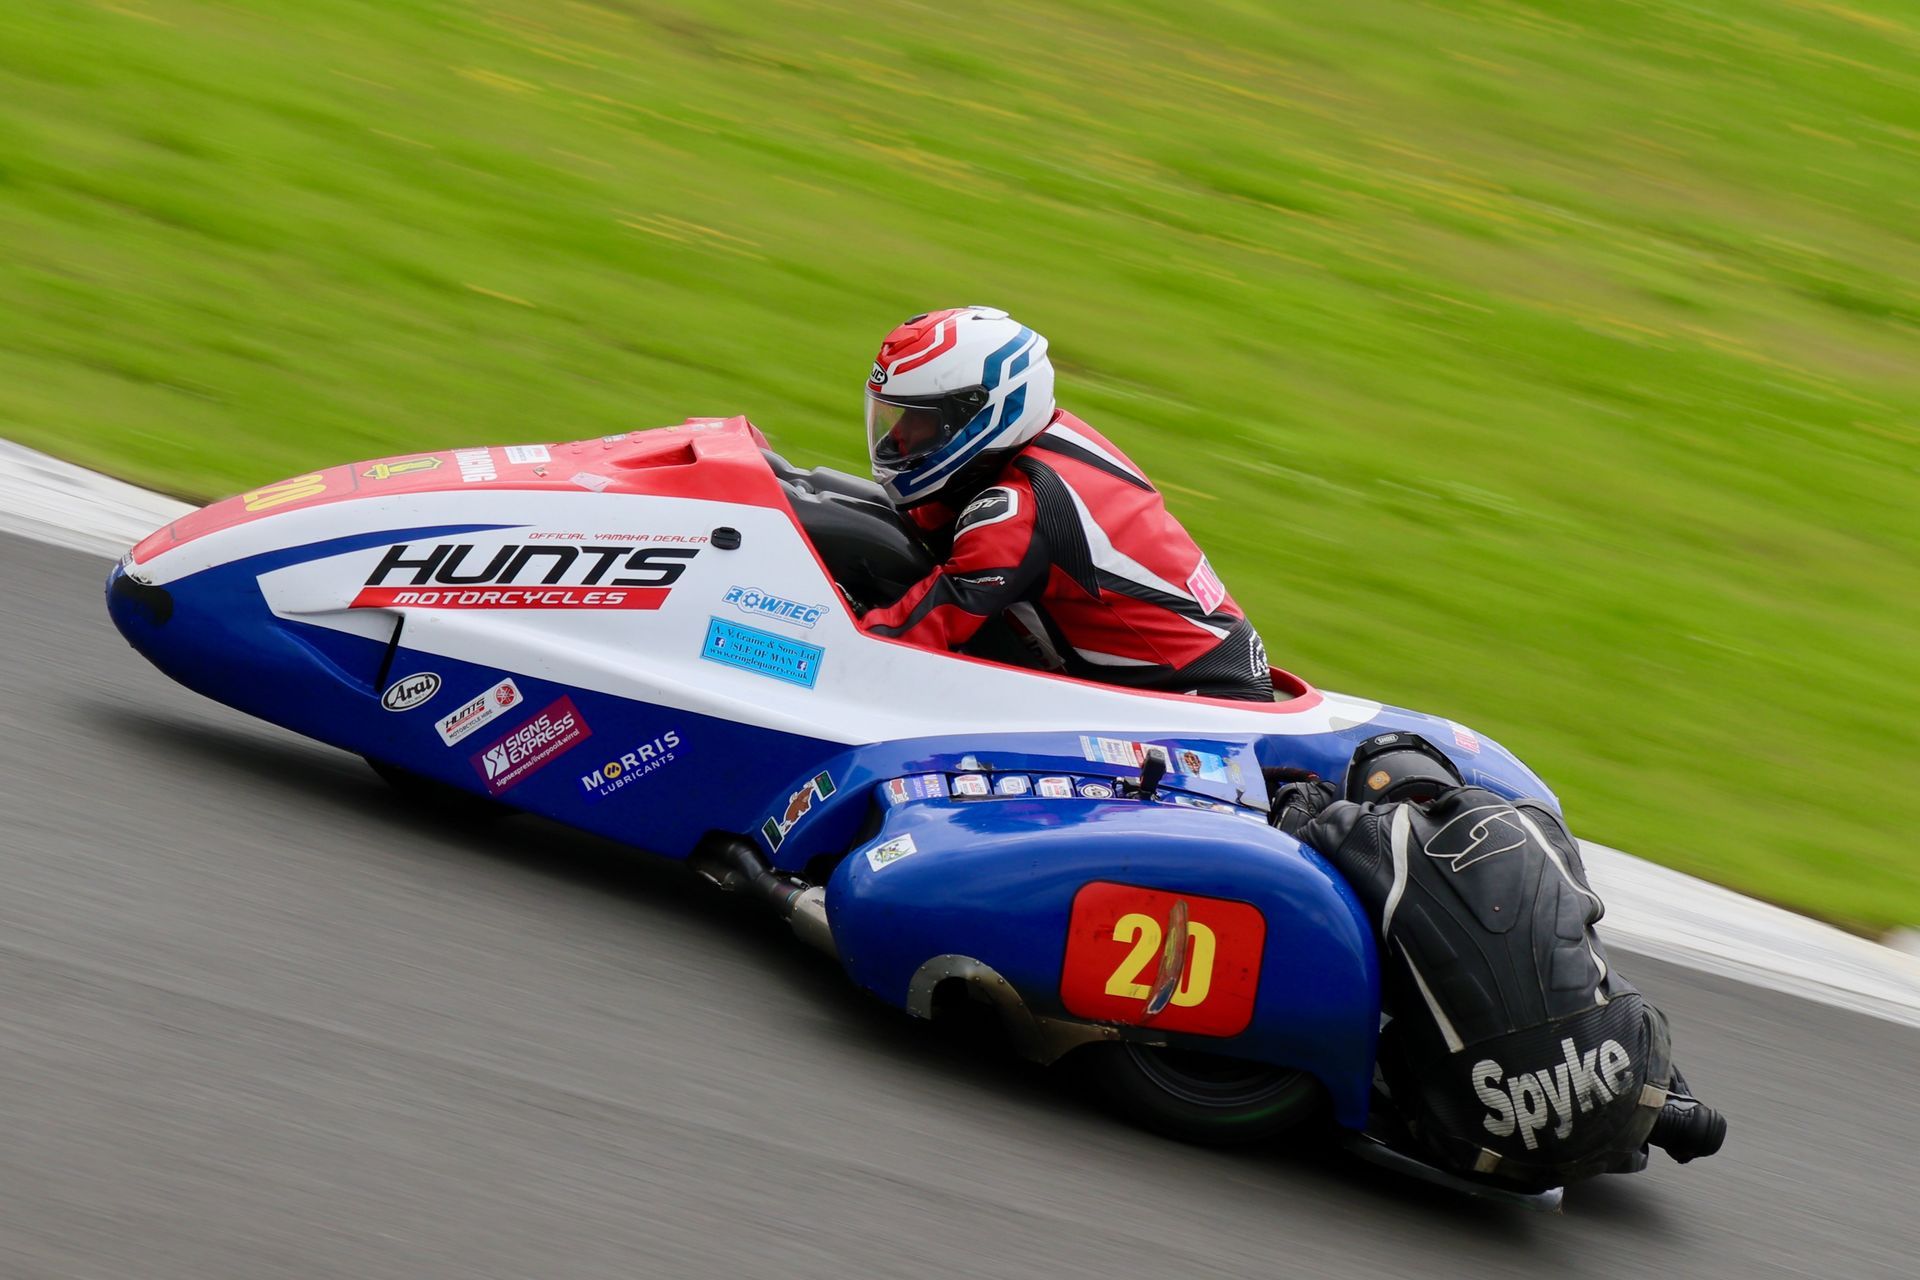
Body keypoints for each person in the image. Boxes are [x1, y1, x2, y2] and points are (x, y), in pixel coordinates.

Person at [1269, 733, 1727, 1188]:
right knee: (1584, 961)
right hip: (1616, 1080)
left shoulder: (1365, 832)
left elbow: (1294, 834)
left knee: (1374, 974)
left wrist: (1301, 789)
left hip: (1473, 1140)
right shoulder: (1538, 821)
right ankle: (1667, 1104)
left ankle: (1441, 1110)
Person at [858, 306, 1272, 701]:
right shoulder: (1040, 442)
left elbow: (907, 638)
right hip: (1195, 667)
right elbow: (917, 524)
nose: (900, 439)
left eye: (921, 422)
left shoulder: (1019, 509)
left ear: (983, 412)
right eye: (898, 418)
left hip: (1193, 699)